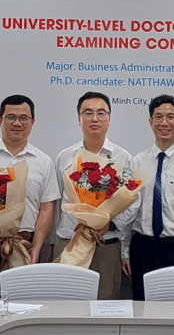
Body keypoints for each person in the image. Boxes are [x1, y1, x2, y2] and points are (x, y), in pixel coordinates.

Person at [0, 94, 61, 293]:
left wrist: (36, 247)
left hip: (25, 244)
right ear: (0, 120)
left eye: (24, 118)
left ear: (33, 122)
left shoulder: (43, 161)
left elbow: (46, 208)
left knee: (24, 303)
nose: (17, 123)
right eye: (11, 117)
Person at [122, 94, 174, 301]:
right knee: (141, 309)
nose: (164, 123)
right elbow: (128, 210)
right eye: (158, 117)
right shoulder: (136, 162)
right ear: (150, 122)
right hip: (142, 247)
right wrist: (125, 251)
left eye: (170, 117)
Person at [54, 92, 133, 300]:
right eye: (88, 113)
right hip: (70, 242)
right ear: (79, 119)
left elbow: (133, 203)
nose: (95, 118)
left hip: (106, 245)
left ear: (109, 119)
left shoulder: (123, 157)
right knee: (66, 306)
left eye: (101, 113)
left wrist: (110, 224)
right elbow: (57, 202)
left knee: (105, 307)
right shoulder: (65, 157)